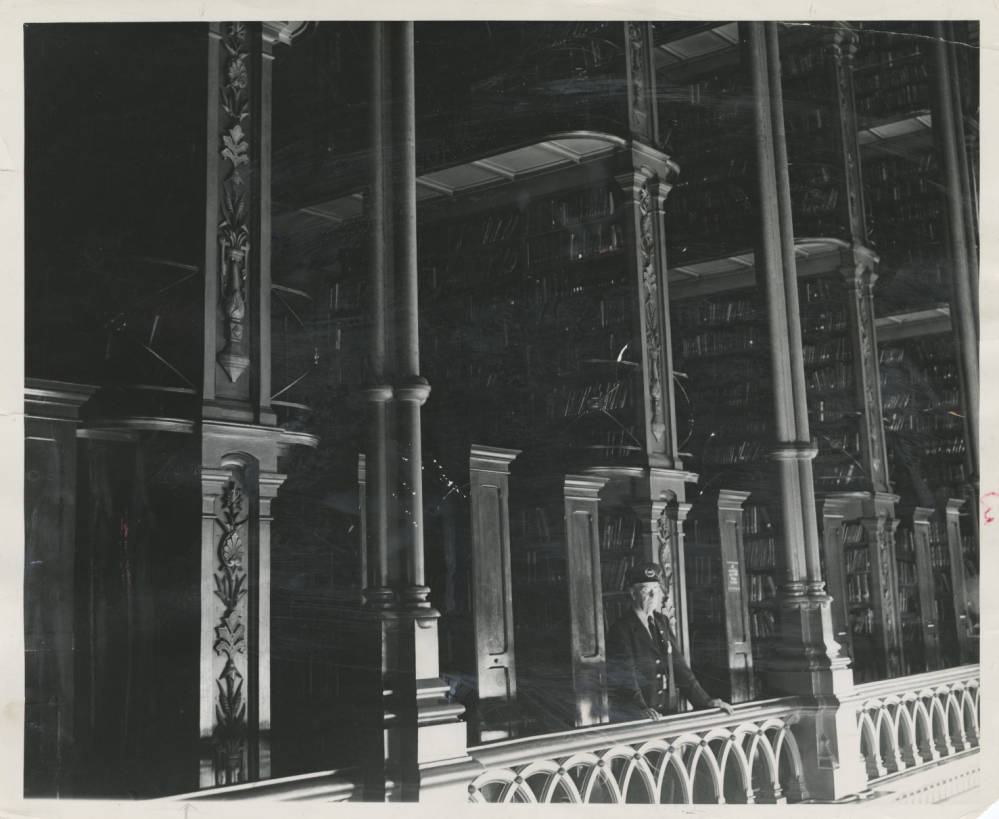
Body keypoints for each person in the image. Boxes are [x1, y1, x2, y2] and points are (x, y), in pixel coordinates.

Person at [606, 562, 734, 722]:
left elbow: (679, 666)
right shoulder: (621, 629)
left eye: (656, 590)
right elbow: (626, 676)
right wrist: (641, 708)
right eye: (646, 590)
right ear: (633, 593)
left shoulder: (662, 621)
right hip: (639, 716)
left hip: (668, 711)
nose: (653, 596)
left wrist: (706, 701)